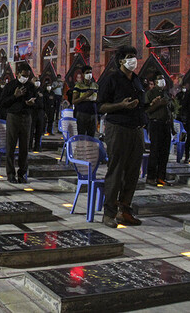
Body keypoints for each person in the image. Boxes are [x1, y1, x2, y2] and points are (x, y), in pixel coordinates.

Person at [97, 46, 145, 228]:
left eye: (134, 56)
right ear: (121, 61)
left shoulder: (137, 80)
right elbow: (100, 106)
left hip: (136, 129)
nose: (133, 60)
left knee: (133, 172)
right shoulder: (111, 80)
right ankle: (109, 213)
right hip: (118, 129)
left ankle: (125, 210)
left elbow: (142, 104)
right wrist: (120, 105)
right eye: (129, 57)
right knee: (116, 171)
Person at [1, 63, 36, 183]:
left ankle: (22, 173)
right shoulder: (10, 86)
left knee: (24, 147)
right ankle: (10, 174)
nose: (25, 78)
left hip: (26, 118)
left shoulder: (31, 87)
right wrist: (15, 96)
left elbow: (38, 102)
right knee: (10, 146)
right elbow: (2, 103)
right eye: (23, 75)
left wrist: (32, 103)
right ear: (18, 74)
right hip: (13, 117)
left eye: (27, 76)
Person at [145, 72, 173, 185]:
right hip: (156, 124)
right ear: (155, 82)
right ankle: (151, 177)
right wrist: (158, 104)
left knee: (165, 152)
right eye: (159, 79)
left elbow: (171, 109)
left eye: (163, 79)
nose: (162, 81)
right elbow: (147, 110)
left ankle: (161, 176)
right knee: (155, 150)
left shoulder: (166, 93)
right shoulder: (150, 93)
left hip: (166, 124)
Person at [72, 65, 99, 137]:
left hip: (93, 113)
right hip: (82, 113)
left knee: (91, 135)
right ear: (83, 74)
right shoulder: (79, 86)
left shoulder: (95, 85)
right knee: (81, 135)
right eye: (87, 73)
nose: (89, 74)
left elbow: (98, 98)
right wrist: (85, 96)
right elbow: (74, 101)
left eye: (90, 72)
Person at [30, 76, 45, 151]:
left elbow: (44, 101)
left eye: (38, 80)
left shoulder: (41, 90)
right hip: (32, 112)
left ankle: (37, 146)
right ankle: (29, 146)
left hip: (40, 112)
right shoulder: (30, 90)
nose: (37, 82)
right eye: (36, 80)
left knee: (39, 130)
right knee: (31, 130)